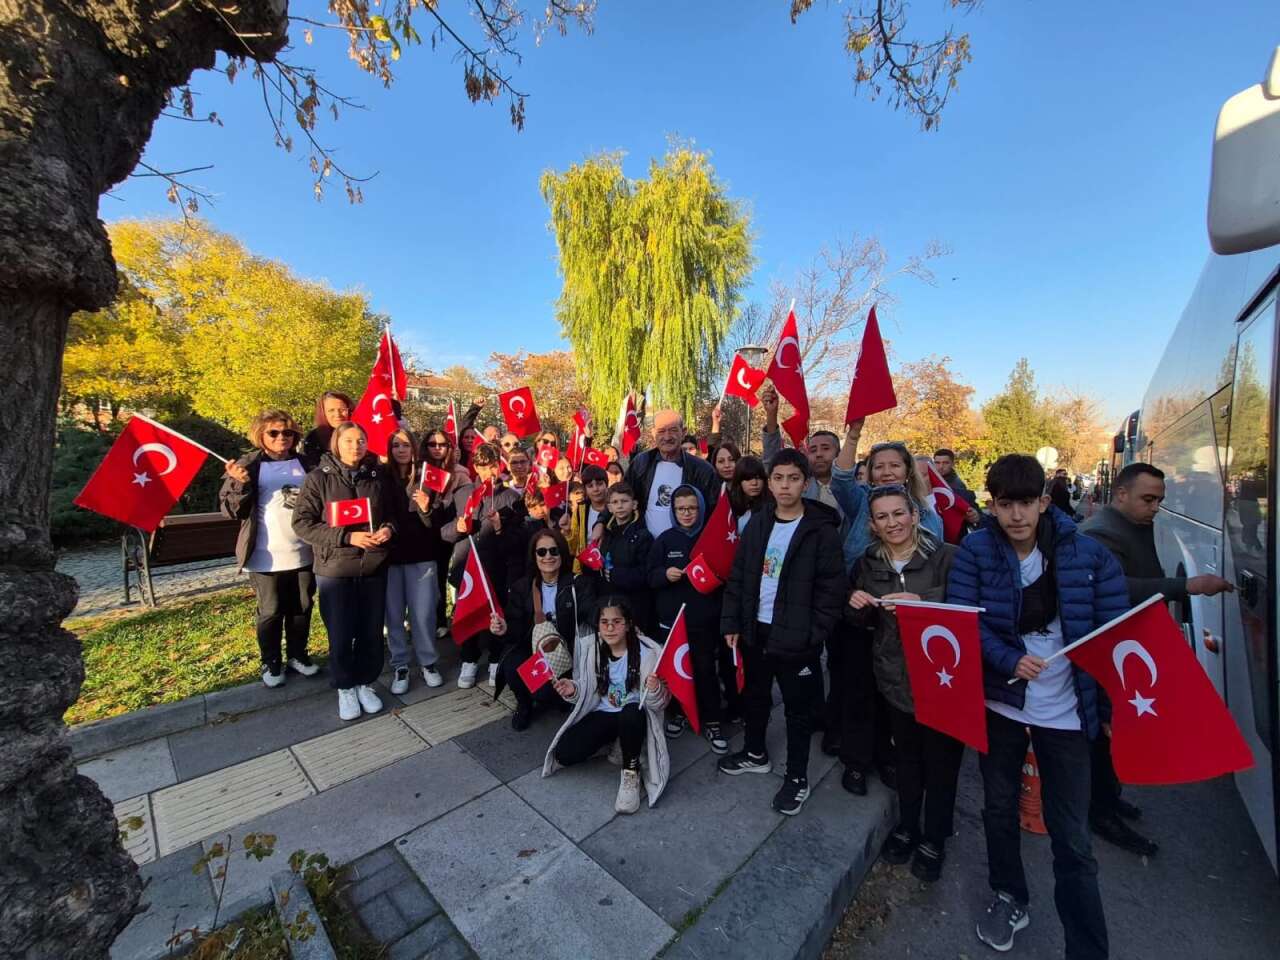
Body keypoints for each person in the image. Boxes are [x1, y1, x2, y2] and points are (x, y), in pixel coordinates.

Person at [947, 454, 1128, 959]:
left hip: (1069, 713)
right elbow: (966, 619)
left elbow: (1113, 638)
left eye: (1026, 503)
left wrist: (1112, 711)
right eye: (1005, 505)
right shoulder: (976, 551)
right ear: (993, 505)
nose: (1017, 516)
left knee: (1072, 836)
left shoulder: (1088, 556)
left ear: (1045, 502)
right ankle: (1009, 896)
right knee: (999, 808)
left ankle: (1087, 945)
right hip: (1003, 702)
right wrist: (1008, 657)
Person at [1079, 462, 1233, 858]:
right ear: (1121, 495)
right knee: (1105, 734)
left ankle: (1108, 799)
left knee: (1116, 732)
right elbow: (1115, 588)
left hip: (1126, 649)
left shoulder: (1132, 525)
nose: (1155, 508)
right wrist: (1186, 586)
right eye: (1148, 499)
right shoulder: (1102, 533)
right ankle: (1100, 808)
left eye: (1160, 500)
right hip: (1110, 651)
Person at [718, 449, 846, 816]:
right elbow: (740, 574)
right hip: (755, 631)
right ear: (770, 483)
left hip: (797, 639)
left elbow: (831, 592)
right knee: (755, 698)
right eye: (779, 478)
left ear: (804, 483)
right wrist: (732, 623)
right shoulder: (759, 522)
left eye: (793, 479)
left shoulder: (821, 531)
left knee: (798, 711)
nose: (785, 486)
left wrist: (812, 635)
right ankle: (755, 752)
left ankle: (797, 776)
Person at [847, 484, 960, 881]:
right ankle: (908, 825)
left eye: (899, 513)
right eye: (882, 517)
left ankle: (935, 838)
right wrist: (857, 606)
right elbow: (865, 622)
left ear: (914, 515)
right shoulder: (869, 563)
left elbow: (970, 606)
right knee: (908, 760)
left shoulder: (947, 558)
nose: (892, 523)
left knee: (942, 764)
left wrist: (926, 603)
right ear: (873, 526)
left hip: (943, 680)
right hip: (895, 677)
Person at [292, 422, 397, 721]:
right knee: (340, 632)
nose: (356, 446)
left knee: (371, 631)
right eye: (349, 440)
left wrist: (389, 529)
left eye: (361, 440)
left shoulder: (377, 475)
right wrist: (346, 537)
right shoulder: (317, 478)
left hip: (373, 565)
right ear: (337, 443)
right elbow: (303, 524)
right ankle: (345, 687)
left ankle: (365, 681)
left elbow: (392, 514)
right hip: (335, 568)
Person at [542, 596, 671, 814]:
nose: (610, 628)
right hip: (605, 714)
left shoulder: (648, 654)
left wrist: (655, 688)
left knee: (631, 712)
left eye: (617, 621)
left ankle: (630, 770)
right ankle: (616, 742)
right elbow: (587, 687)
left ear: (628, 623)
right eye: (604, 622)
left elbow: (659, 705)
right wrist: (572, 689)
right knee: (565, 753)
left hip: (633, 716)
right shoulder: (593, 650)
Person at [220, 409, 318, 688]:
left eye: (287, 432)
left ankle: (298, 654)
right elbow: (230, 510)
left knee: (302, 606)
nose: (281, 438)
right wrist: (239, 485)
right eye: (273, 432)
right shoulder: (248, 465)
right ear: (261, 435)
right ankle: (271, 660)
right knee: (271, 610)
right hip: (266, 554)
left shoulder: (305, 463)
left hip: (303, 550)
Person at [647, 483, 727, 751]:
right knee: (677, 671)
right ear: (673, 511)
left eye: (692, 508)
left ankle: (713, 721)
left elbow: (724, 573)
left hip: (704, 620)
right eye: (681, 509)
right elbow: (650, 576)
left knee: (705, 671)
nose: (687, 513)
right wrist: (664, 575)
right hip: (673, 622)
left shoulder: (710, 537)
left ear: (701, 508)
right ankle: (680, 713)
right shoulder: (664, 540)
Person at [442, 442, 527, 688]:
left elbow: (518, 541)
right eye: (481, 467)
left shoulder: (511, 497)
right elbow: (443, 532)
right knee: (468, 612)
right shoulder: (462, 494)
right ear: (475, 467)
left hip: (498, 570)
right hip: (466, 568)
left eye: (491, 466)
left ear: (498, 466)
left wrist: (500, 527)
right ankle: (468, 659)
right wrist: (456, 528)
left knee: (495, 615)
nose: (486, 472)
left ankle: (495, 659)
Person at [495, 528, 596, 730]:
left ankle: (559, 697)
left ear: (562, 554)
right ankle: (524, 705)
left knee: (548, 695)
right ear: (534, 556)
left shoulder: (578, 585)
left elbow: (592, 613)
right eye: (541, 552)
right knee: (512, 665)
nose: (548, 556)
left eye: (553, 551)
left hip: (568, 652)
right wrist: (504, 628)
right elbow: (516, 630)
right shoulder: (522, 587)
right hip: (536, 651)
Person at [383, 428, 445, 693]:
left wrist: (426, 508)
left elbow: (439, 522)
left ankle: (428, 662)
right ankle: (400, 665)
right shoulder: (381, 477)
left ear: (414, 448)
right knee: (394, 615)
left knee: (423, 614)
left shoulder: (427, 476)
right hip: (390, 558)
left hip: (422, 555)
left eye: (405, 444)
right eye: (395, 445)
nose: (400, 450)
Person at [625, 409, 720, 537]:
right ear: (653, 433)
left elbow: (713, 513)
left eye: (673, 430)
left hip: (686, 548)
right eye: (661, 431)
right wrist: (601, 522)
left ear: (683, 432)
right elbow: (622, 495)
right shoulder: (641, 463)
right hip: (645, 548)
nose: (667, 437)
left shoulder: (702, 470)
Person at [421, 428, 470, 638]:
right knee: (424, 580)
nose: (437, 448)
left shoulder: (459, 472)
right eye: (432, 444)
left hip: (446, 532)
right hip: (421, 531)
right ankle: (420, 619)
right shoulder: (418, 470)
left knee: (440, 576)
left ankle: (440, 619)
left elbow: (464, 501)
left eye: (442, 444)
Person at [599, 482, 654, 631]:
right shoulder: (607, 535)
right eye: (615, 502)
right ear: (609, 507)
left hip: (635, 607)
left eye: (624, 501)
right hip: (611, 607)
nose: (620, 506)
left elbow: (646, 573)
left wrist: (617, 575)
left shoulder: (643, 536)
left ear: (634, 504)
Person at [567, 464, 611, 566]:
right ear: (585, 489)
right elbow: (573, 548)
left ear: (606, 484)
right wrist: (566, 531)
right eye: (590, 486)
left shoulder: (616, 507)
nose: (595, 489)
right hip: (587, 566)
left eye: (599, 484)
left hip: (610, 565)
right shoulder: (580, 510)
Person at [300, 391, 353, 468]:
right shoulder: (313, 438)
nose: (337, 414)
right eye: (331, 410)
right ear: (323, 413)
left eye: (342, 409)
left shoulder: (361, 434)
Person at [933, 448, 982, 529]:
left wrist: (975, 515)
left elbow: (973, 511)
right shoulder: (930, 479)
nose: (941, 466)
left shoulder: (958, 486)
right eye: (937, 463)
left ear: (952, 464)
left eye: (945, 463)